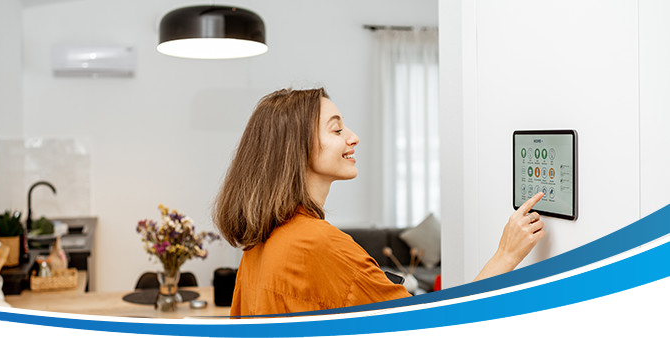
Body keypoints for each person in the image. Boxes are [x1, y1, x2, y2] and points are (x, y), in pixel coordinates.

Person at [213, 88, 545, 316]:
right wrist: (506, 256)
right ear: (296, 149)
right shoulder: (319, 245)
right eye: (336, 130)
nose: (352, 137)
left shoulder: (259, 244)